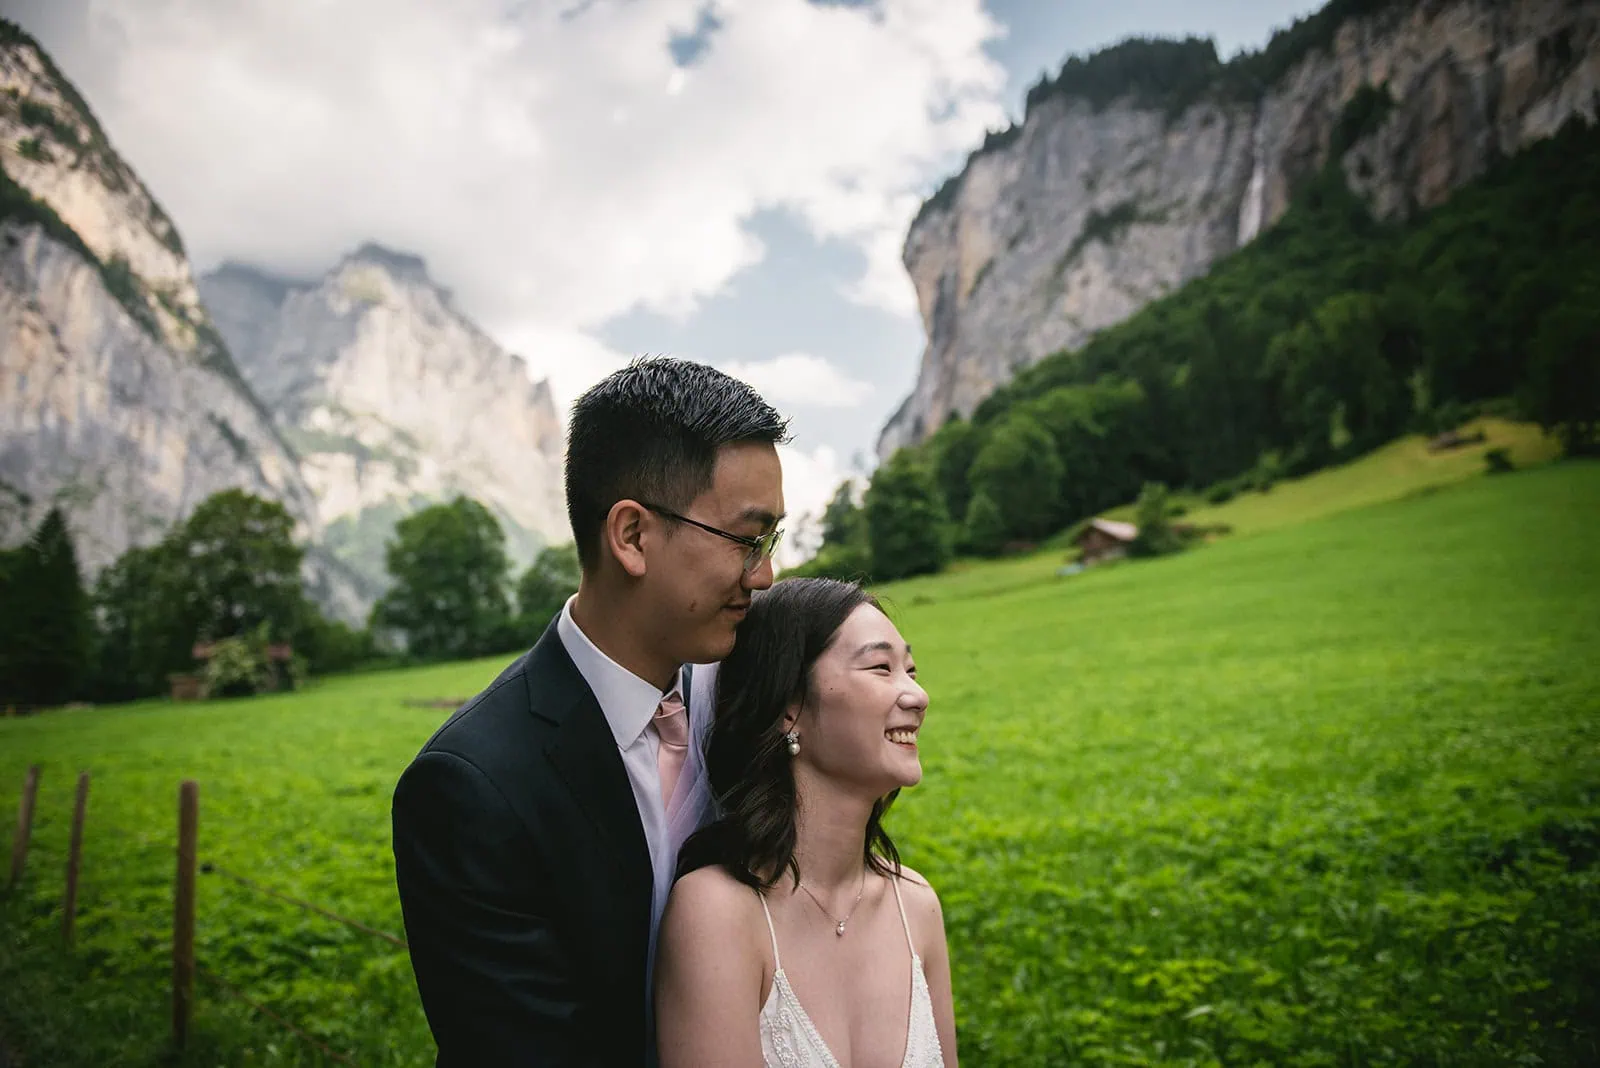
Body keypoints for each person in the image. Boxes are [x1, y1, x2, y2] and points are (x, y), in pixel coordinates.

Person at [391, 357, 790, 1065]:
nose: (764, 575)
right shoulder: (472, 788)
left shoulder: (754, 691)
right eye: (746, 539)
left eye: (771, 541)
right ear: (632, 536)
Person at [655, 578, 958, 1067]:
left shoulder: (917, 907)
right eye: (881, 667)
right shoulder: (718, 913)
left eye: (912, 670)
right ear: (789, 707)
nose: (917, 695)